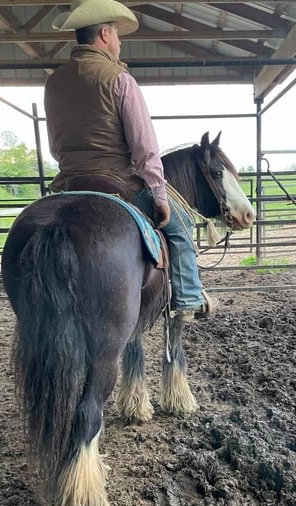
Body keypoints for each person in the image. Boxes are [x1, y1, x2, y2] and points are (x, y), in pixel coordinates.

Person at [44, 0, 213, 321]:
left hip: (70, 184)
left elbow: (55, 146)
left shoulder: (54, 82)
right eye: (119, 36)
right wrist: (161, 198)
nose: (120, 44)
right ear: (105, 34)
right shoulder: (120, 80)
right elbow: (145, 148)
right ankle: (188, 298)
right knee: (181, 226)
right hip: (119, 183)